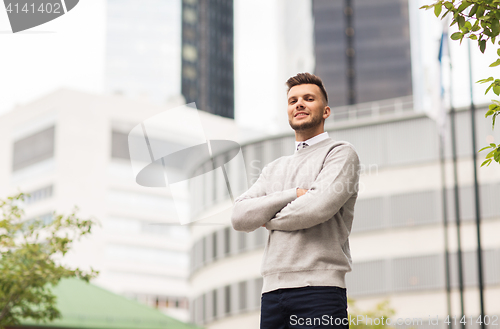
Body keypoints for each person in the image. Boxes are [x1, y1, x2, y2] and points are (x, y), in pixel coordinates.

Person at [231, 72, 360, 328]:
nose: (299, 104)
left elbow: (315, 208)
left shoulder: (340, 153)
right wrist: (293, 194)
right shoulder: (273, 168)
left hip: (320, 290)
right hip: (272, 294)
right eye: (293, 101)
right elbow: (239, 216)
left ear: (325, 111)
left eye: (308, 98)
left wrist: (268, 220)